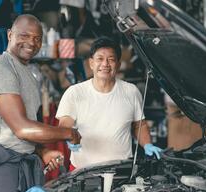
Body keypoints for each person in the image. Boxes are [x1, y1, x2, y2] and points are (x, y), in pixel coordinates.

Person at [0, 14, 81, 192]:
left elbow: (25, 128)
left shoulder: (26, 73)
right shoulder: (2, 70)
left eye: (37, 38)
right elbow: (22, 128)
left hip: (20, 165)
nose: (31, 42)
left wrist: (42, 152)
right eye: (24, 36)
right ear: (10, 34)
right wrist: (70, 133)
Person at [56, 37, 162, 170]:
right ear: (91, 63)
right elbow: (64, 127)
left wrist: (147, 144)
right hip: (83, 171)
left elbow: (139, 125)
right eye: (100, 59)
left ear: (118, 65)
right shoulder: (75, 93)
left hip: (122, 170)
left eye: (111, 59)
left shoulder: (131, 91)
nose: (105, 64)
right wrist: (69, 138)